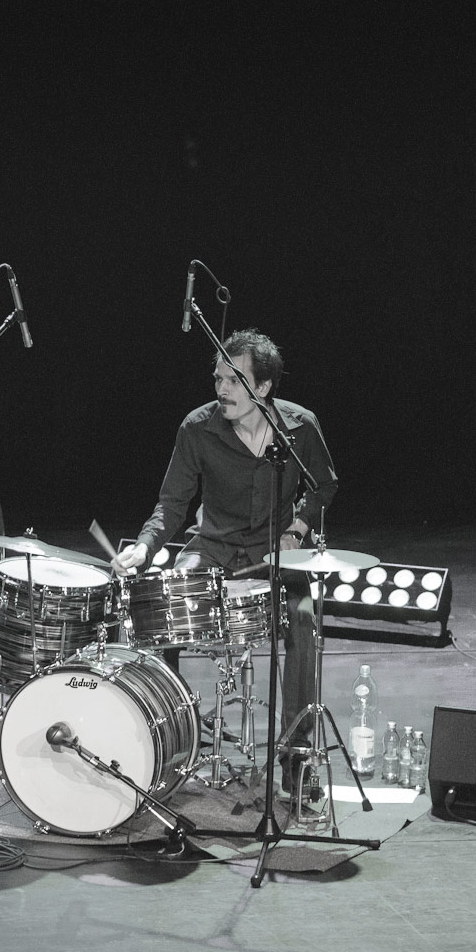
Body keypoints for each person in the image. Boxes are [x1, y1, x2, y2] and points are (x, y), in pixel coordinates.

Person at [114, 330, 338, 796]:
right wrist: (145, 546)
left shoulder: (300, 426)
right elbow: (172, 503)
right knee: (164, 604)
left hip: (275, 550)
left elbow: (323, 486)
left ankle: (296, 755)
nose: (222, 389)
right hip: (212, 546)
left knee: (302, 617)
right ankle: (168, 743)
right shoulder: (197, 427)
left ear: (263, 387)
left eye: (234, 380)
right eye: (218, 378)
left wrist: (297, 529)